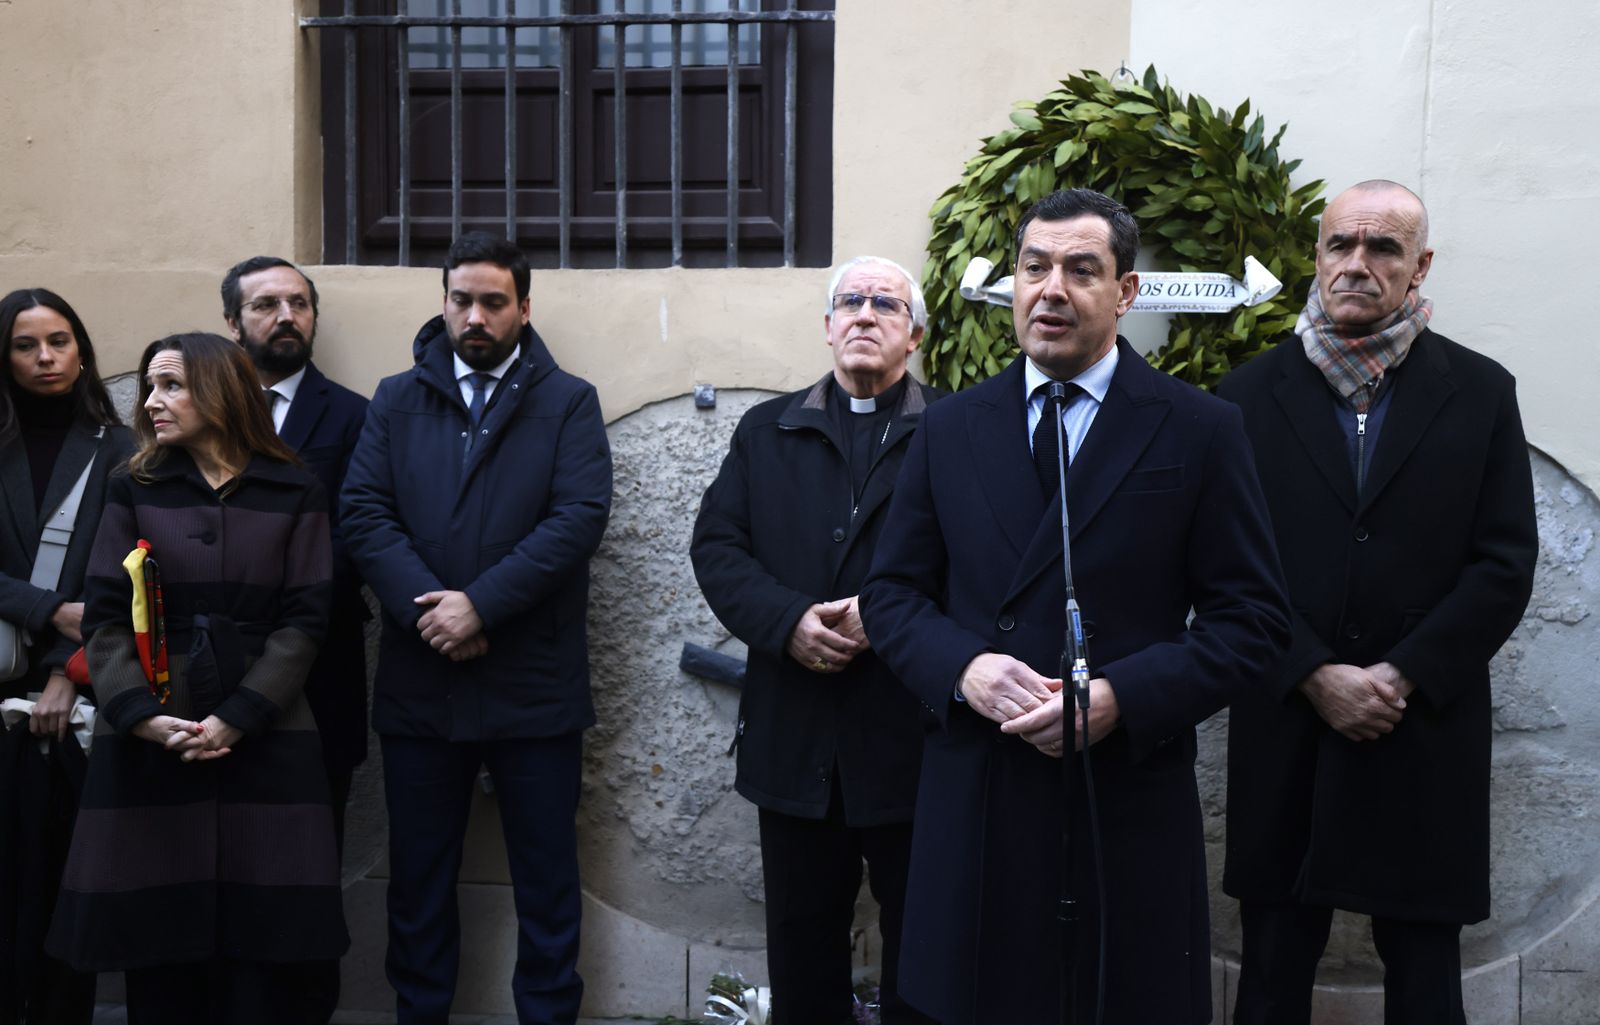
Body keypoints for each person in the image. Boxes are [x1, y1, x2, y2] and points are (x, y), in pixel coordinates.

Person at [859, 187, 1291, 1024]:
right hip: (980, 799)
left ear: (1125, 293)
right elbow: (892, 594)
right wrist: (965, 668)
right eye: (1033, 267)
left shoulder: (1199, 428)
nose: (1050, 288)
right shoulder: (950, 428)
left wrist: (1123, 698)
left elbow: (1254, 621)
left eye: (1080, 269)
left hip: (1121, 802)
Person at [1217, 180, 1538, 1025]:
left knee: (1427, 977)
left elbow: (1503, 564)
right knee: (1273, 972)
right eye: (1340, 246)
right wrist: (1313, 672)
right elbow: (1222, 567)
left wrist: (1401, 674)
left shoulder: (1480, 391)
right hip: (1288, 724)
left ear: (1419, 264)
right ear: (1316, 255)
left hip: (1420, 728)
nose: (1358, 264)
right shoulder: (1242, 399)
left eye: (1384, 248)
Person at [340, 232, 612, 1025]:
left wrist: (481, 605)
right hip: (424, 680)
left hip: (533, 684)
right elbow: (362, 511)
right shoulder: (396, 397)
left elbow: (577, 519)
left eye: (495, 301)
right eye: (462, 298)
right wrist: (434, 607)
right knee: (419, 880)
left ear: (525, 308)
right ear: (444, 302)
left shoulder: (569, 400)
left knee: (547, 882)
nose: (476, 315)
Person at [46, 332, 348, 1025]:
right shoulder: (135, 483)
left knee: (263, 951)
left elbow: (305, 620)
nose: (151, 401)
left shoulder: (294, 486)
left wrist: (239, 714)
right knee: (158, 948)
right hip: (151, 734)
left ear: (220, 389)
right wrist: (140, 716)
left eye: (170, 385)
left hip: (268, 731)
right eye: (150, 386)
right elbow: (105, 617)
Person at [690, 256, 942, 1025]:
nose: (866, 314)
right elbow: (719, 549)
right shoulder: (767, 431)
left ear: (916, 334)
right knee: (802, 951)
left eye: (887, 304)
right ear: (828, 327)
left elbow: (987, 565)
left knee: (924, 949)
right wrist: (787, 620)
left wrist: (887, 617)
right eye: (850, 302)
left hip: (911, 741)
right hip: (795, 734)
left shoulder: (958, 431)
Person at [222, 254, 370, 1024]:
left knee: (309, 869)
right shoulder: (196, 412)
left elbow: (360, 534)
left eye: (300, 303)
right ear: (234, 323)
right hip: (204, 682)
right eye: (267, 305)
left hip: (318, 679)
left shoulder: (357, 416)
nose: (286, 316)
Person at [0, 288, 132, 1025]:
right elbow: (65, 596)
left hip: (70, 701)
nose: (45, 357)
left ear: (81, 349)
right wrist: (46, 608)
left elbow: (121, 574)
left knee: (57, 885)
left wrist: (61, 671)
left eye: (59, 341)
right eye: (26, 344)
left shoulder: (118, 448)